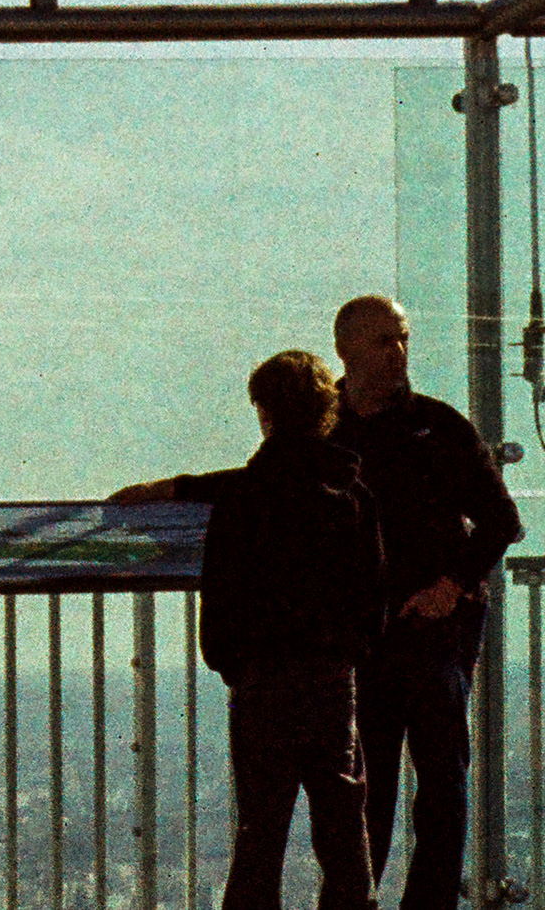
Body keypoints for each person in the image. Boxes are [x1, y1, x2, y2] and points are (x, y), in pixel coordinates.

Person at [117, 296, 524, 910]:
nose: (399, 353)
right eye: (384, 341)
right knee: (372, 785)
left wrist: (452, 586)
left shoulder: (441, 426)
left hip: (434, 630)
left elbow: (501, 520)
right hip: (370, 639)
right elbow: (270, 478)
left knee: (440, 776)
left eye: (403, 338)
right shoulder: (330, 429)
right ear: (347, 351)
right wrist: (173, 490)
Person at [192, 349, 384, 910]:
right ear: (326, 410)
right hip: (331, 677)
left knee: (261, 835)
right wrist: (351, 653)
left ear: (264, 411)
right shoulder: (351, 495)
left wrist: (231, 662)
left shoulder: (243, 497)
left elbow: (221, 595)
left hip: (262, 680)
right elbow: (371, 596)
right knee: (344, 833)